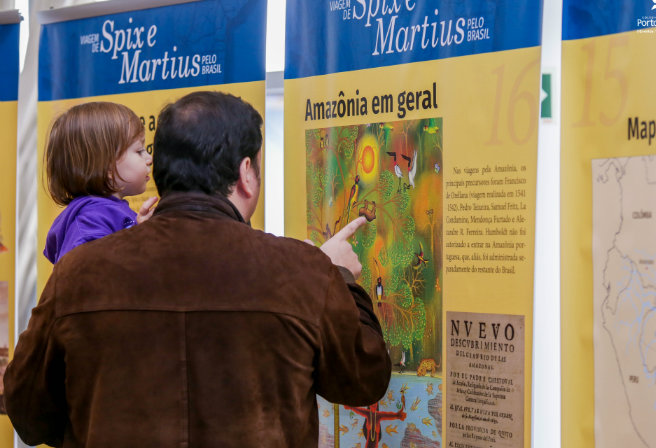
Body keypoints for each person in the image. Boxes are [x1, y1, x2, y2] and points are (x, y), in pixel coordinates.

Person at [4, 91, 392, 447]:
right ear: (245, 173)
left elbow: (30, 414)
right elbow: (364, 378)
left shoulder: (78, 273)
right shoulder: (302, 271)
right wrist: (339, 277)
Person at [42, 101, 157, 264]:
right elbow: (94, 272)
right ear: (107, 167)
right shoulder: (90, 219)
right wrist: (137, 237)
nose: (149, 158)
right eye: (139, 151)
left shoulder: (105, 212)